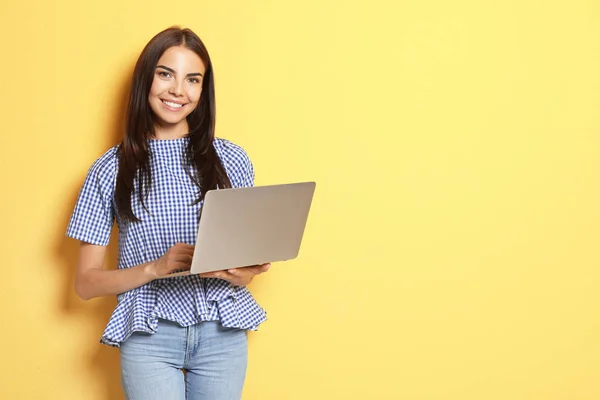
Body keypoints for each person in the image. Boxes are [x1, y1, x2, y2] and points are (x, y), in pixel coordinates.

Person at [65, 26, 270, 400]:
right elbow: (85, 283)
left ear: (202, 91)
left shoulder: (233, 160)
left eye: (193, 79)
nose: (178, 90)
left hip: (221, 334)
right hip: (149, 337)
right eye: (165, 74)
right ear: (146, 79)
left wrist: (244, 274)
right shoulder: (109, 169)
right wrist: (156, 268)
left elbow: (242, 272)